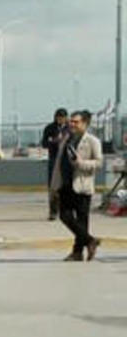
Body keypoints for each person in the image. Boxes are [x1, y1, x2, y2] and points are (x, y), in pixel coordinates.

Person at [50, 110, 103, 261]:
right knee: (65, 216)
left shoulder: (92, 141)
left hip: (82, 184)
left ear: (85, 124)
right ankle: (90, 240)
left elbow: (99, 163)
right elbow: (59, 162)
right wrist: (54, 184)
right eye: (71, 121)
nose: (71, 124)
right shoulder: (67, 138)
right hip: (65, 184)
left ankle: (77, 252)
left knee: (82, 219)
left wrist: (81, 163)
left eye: (76, 122)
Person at [42, 108, 69, 221]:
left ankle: (66, 211)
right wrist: (54, 141)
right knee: (53, 186)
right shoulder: (50, 128)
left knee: (67, 185)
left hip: (66, 159)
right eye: (59, 117)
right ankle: (53, 211)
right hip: (54, 158)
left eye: (63, 117)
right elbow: (44, 143)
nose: (61, 120)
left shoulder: (70, 128)